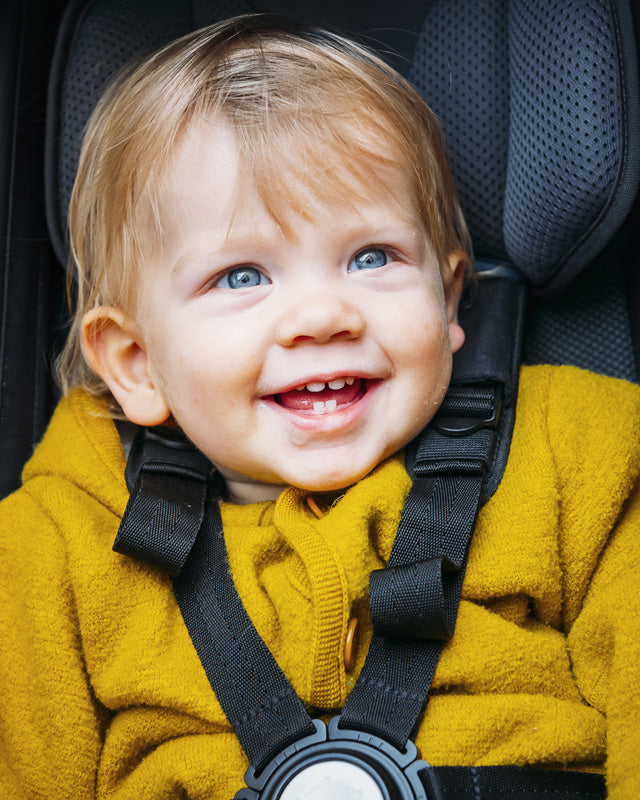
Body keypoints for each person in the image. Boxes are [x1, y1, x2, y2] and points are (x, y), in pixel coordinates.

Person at [0, 13, 638, 800]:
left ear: (447, 300)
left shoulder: (581, 455)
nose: (323, 316)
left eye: (373, 257)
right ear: (137, 364)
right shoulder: (59, 539)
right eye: (241, 276)